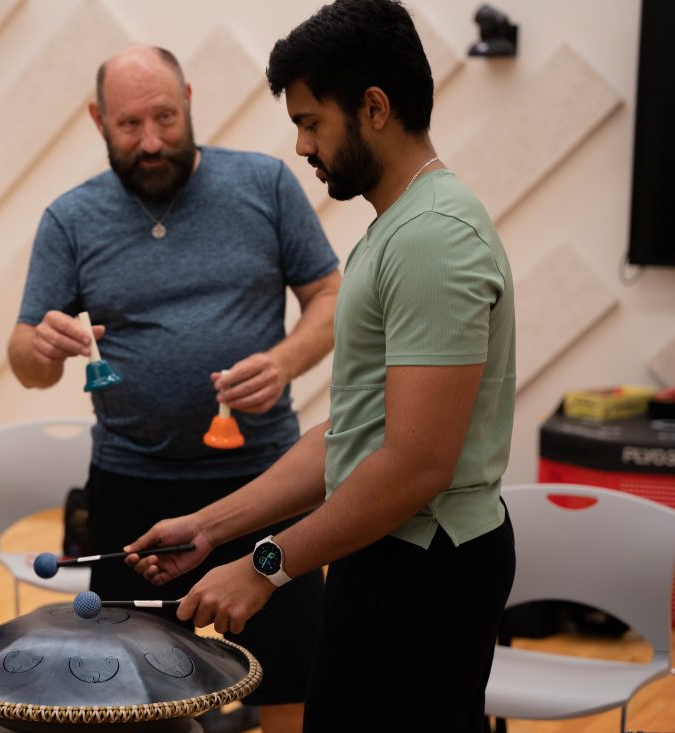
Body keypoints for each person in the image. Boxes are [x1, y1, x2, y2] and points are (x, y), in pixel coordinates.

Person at [127, 2, 517, 731]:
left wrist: (266, 566)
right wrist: (212, 528)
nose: (301, 145)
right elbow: (355, 436)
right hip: (387, 553)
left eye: (311, 121)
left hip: (426, 568)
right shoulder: (396, 226)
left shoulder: (434, 237)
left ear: (374, 107)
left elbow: (414, 464)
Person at [8, 45, 341, 733]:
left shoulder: (267, 184)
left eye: (165, 116)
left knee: (291, 678)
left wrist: (283, 361)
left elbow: (330, 296)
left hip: (265, 480)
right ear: (98, 119)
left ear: (190, 99)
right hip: (132, 487)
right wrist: (40, 350)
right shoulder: (70, 219)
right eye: (129, 125)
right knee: (129, 692)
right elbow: (25, 360)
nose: (152, 140)